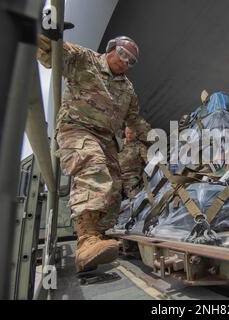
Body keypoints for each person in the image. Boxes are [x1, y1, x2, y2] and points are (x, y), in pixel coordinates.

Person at [38, 27, 151, 273]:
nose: (125, 61)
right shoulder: (84, 60)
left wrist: (156, 138)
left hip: (106, 138)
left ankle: (97, 240)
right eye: (122, 53)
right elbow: (53, 53)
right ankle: (86, 240)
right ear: (111, 49)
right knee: (93, 164)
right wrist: (41, 31)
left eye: (131, 61)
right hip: (76, 127)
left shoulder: (128, 89)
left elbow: (134, 120)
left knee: (113, 187)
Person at [119, 127, 148, 199]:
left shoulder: (140, 146)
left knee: (135, 196)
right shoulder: (118, 144)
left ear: (135, 133)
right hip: (116, 175)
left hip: (131, 176)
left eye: (131, 133)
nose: (129, 135)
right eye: (127, 133)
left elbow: (148, 161)